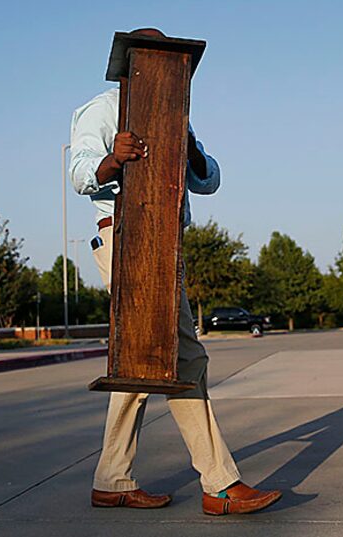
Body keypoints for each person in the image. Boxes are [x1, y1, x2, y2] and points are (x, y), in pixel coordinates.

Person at [69, 27, 282, 516]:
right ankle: (220, 484)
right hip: (125, 239)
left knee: (142, 359)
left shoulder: (172, 112)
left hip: (165, 244)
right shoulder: (101, 111)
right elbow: (80, 172)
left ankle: (112, 479)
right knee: (184, 358)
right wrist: (111, 161)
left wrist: (188, 146)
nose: (167, 72)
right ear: (130, 66)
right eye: (155, 62)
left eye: (174, 65)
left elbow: (208, 181)